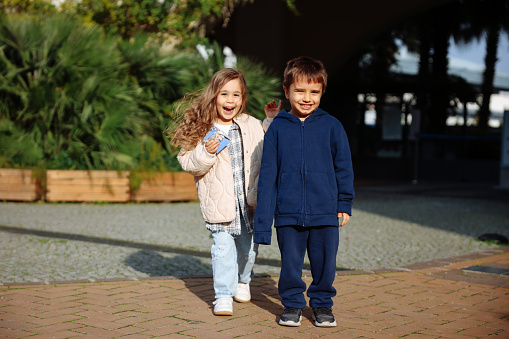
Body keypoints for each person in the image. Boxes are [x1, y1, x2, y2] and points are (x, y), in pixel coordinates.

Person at [254, 56, 354, 327]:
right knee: (290, 265)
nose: (307, 97)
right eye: (300, 91)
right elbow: (268, 176)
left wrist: (343, 202)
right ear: (286, 91)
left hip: (325, 211)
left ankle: (322, 305)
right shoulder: (277, 129)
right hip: (287, 213)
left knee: (324, 266)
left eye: (314, 92)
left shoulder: (332, 126)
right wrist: (263, 223)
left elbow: (343, 167)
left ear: (322, 92)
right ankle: (292, 305)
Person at [171, 68, 276, 316]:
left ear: (243, 98)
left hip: (249, 202)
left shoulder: (251, 124)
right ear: (214, 96)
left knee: (248, 251)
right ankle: (223, 296)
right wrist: (206, 152)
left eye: (236, 95)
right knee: (222, 249)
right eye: (224, 94)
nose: (230, 101)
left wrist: (270, 121)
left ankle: (243, 280)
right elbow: (188, 163)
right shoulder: (203, 128)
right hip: (219, 204)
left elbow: (268, 145)